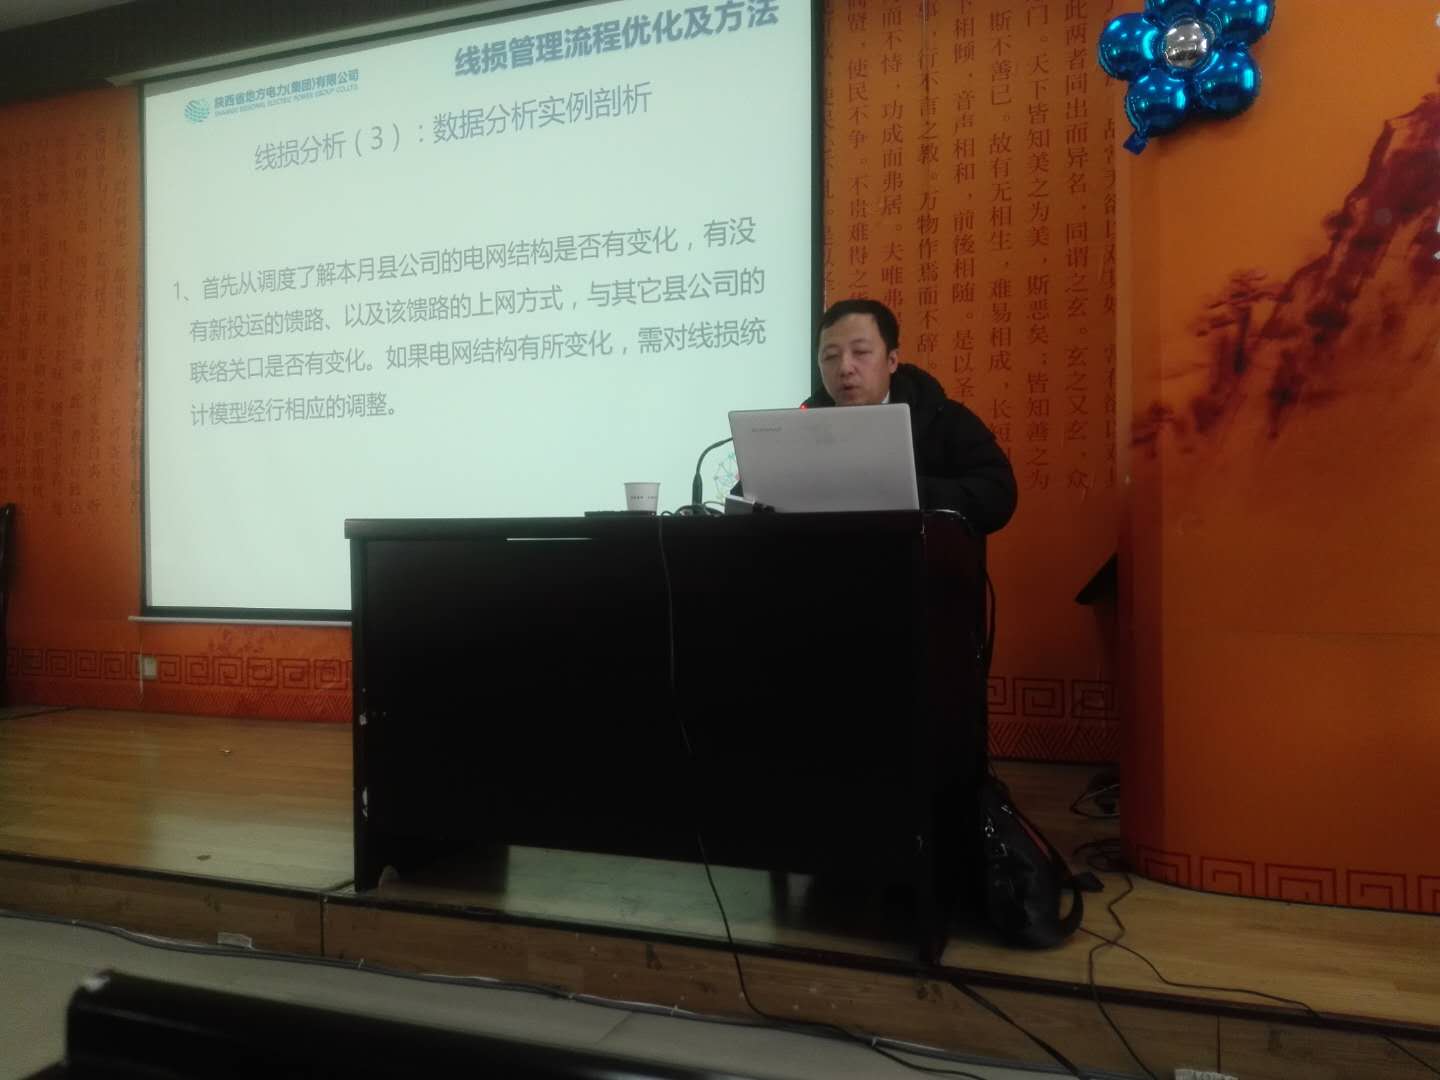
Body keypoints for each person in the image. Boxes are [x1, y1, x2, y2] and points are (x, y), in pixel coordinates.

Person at [805, 298, 1016, 533]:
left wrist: (906, 493)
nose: (845, 368)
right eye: (830, 356)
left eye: (861, 352)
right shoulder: (803, 429)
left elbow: (998, 494)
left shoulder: (941, 417)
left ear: (892, 360)